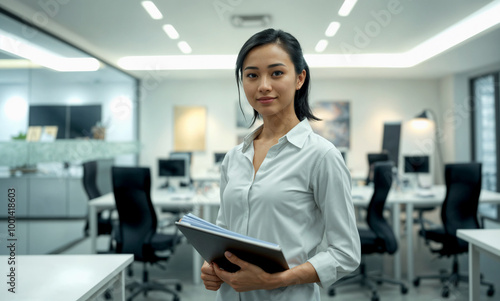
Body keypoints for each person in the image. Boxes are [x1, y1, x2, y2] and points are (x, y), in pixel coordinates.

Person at [201, 28, 361, 301]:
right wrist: (212, 263)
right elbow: (224, 230)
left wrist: (276, 279)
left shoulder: (321, 156)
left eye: (276, 73)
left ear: (299, 78)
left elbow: (345, 253)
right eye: (252, 75)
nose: (263, 85)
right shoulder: (234, 158)